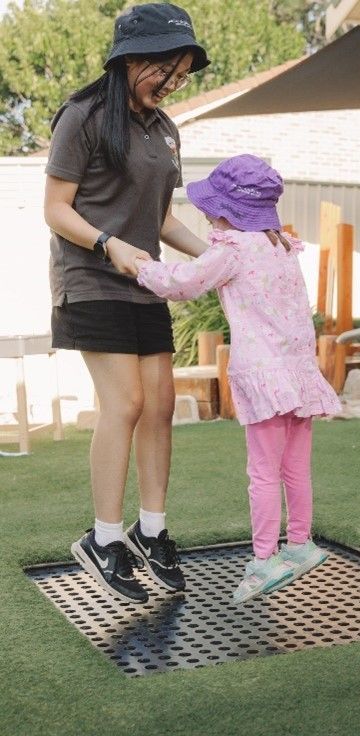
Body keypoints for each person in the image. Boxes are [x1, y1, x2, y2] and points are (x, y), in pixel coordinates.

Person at [43, 3, 212, 604]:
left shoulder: (166, 130)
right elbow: (56, 208)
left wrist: (219, 252)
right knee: (127, 401)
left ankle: (152, 529)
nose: (172, 81)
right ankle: (104, 538)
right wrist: (109, 244)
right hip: (90, 279)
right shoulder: (84, 115)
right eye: (165, 67)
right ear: (129, 59)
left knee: (161, 404)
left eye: (183, 72)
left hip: (144, 282)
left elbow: (162, 216)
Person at [133, 154, 343, 603]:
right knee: (294, 468)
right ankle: (301, 545)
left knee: (262, 474)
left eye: (210, 205)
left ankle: (264, 561)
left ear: (227, 210)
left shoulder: (231, 250)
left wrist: (142, 267)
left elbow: (184, 284)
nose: (205, 212)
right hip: (298, 373)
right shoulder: (282, 246)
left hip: (265, 377)